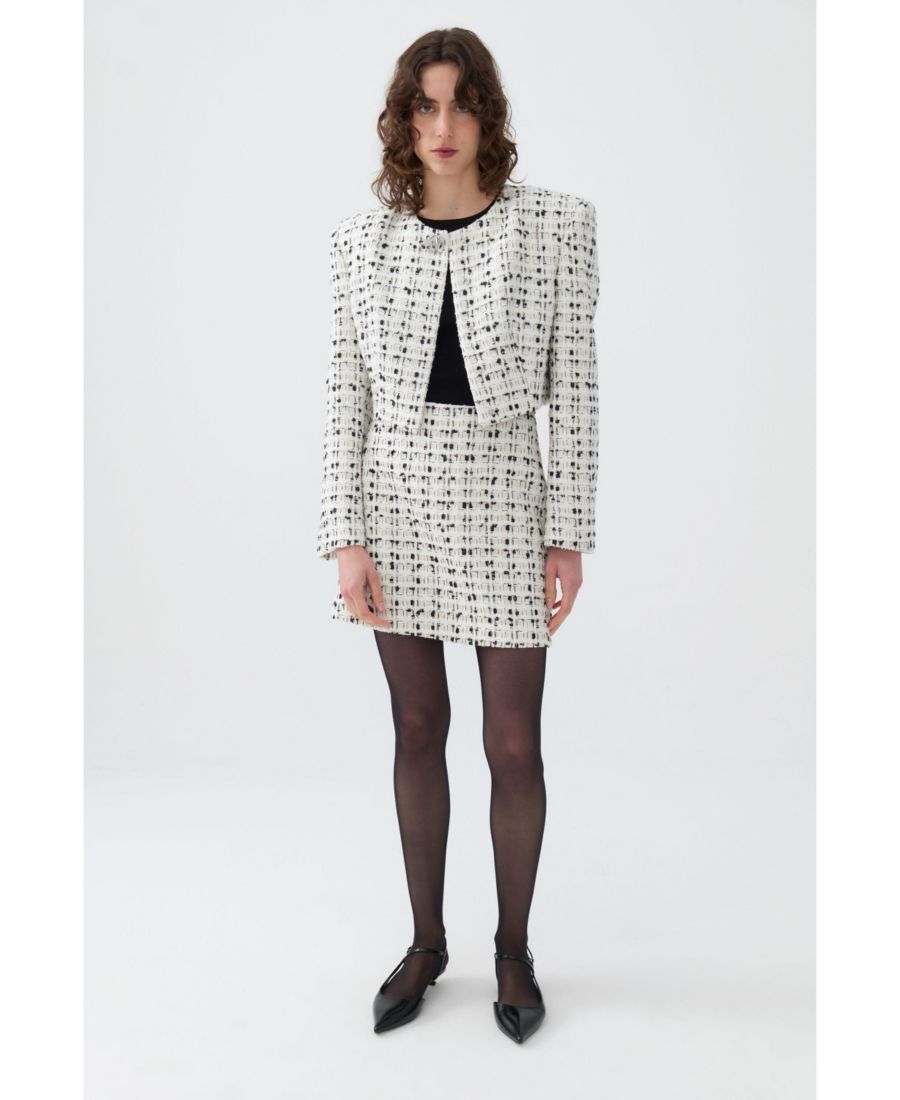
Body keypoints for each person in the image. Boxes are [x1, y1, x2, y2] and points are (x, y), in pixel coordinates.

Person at [316, 27, 600, 1044]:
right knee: (416, 728)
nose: (443, 126)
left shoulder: (555, 226)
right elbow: (345, 396)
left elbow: (577, 390)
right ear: (403, 121)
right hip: (395, 512)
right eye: (424, 106)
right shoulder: (360, 244)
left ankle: (513, 949)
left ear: (489, 116)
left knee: (513, 744)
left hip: (508, 508)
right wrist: (345, 535)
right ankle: (426, 942)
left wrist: (568, 534)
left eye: (461, 104)